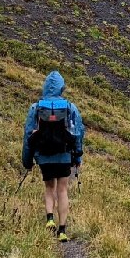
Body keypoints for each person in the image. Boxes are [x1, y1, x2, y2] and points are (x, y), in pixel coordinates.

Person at [22, 70, 84, 241]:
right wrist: (78, 157)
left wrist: (27, 161)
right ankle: (62, 230)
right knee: (62, 190)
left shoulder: (36, 107)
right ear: (61, 88)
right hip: (64, 156)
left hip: (44, 156)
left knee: (49, 188)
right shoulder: (70, 107)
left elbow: (28, 135)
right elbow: (78, 133)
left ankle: (50, 218)